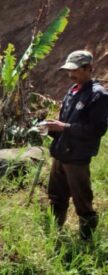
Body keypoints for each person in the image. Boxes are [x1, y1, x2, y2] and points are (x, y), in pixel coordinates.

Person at [43, 50, 107, 241]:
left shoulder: (99, 95)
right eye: (68, 71)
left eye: (75, 71)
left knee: (82, 202)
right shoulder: (73, 91)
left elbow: (96, 130)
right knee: (56, 196)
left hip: (77, 158)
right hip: (61, 153)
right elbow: (66, 122)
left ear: (88, 68)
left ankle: (86, 241)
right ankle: (55, 233)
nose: (70, 75)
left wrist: (64, 127)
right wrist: (52, 128)